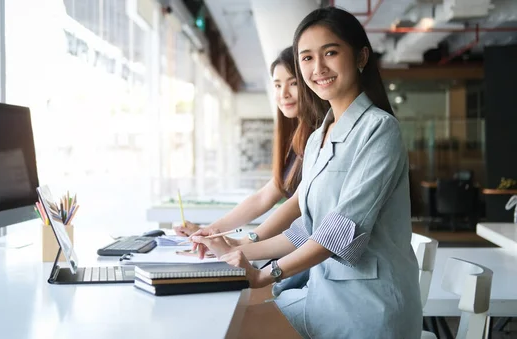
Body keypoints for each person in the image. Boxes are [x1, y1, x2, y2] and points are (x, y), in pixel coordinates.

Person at [191, 7, 422, 339]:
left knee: (239, 329)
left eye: (330, 52)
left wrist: (265, 274)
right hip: (324, 295)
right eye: (307, 58)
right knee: (231, 326)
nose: (319, 68)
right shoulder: (317, 138)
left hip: (370, 309)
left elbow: (340, 231)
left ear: (361, 56)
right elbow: (306, 229)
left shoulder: (380, 130)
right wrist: (233, 248)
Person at [173, 46, 316, 248]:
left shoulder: (321, 136)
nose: (283, 93)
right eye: (277, 85)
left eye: (293, 83)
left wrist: (243, 243)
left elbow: (295, 206)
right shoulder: (297, 138)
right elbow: (263, 197)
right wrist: (209, 231)